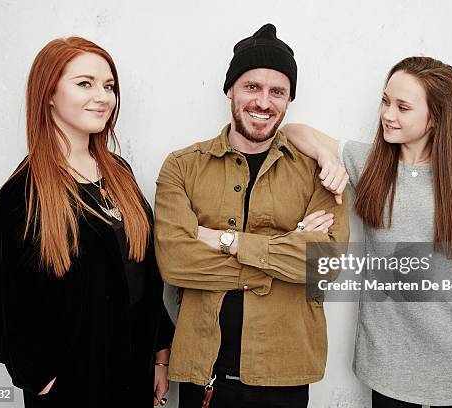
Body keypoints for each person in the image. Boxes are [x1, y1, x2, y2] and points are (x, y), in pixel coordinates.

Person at [283, 56, 452, 408]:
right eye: (386, 101)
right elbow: (293, 132)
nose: (388, 114)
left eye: (403, 107)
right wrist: (327, 157)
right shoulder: (369, 163)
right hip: (387, 362)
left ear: (435, 118)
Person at [154, 24, 350, 407]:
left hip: (285, 375)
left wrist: (224, 240)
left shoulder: (320, 172)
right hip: (203, 371)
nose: (264, 102)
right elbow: (175, 261)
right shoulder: (182, 166)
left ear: (290, 99)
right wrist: (287, 248)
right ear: (230, 89)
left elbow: (325, 265)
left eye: (277, 91)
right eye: (251, 87)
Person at [0, 37, 174, 407]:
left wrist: (158, 354)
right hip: (73, 388)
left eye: (109, 86)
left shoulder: (119, 172)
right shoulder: (21, 197)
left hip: (133, 375)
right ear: (49, 93)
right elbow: (6, 312)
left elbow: (144, 274)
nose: (102, 96)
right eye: (84, 83)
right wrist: (42, 380)